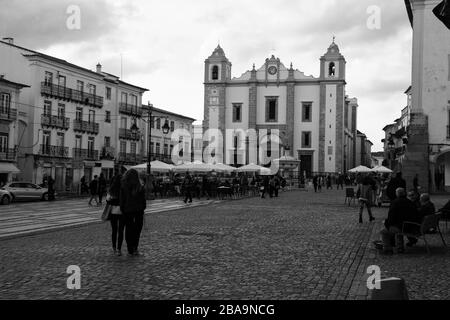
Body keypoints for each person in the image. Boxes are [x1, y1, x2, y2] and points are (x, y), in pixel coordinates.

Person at [379, 188, 420, 254]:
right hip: (412, 226)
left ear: (397, 194)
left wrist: (387, 223)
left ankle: (387, 249)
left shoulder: (395, 203)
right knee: (396, 227)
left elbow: (391, 218)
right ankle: (399, 247)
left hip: (403, 226)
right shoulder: (410, 202)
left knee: (384, 231)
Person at [120, 169, 146, 256]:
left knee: (128, 229)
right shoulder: (140, 186)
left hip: (127, 210)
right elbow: (143, 200)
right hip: (138, 210)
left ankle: (130, 249)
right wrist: (143, 207)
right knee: (137, 229)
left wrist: (122, 209)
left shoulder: (124, 186)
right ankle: (135, 248)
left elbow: (122, 200)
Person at [108, 173, 125, 256]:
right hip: (122, 212)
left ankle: (114, 248)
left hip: (113, 212)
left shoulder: (111, 190)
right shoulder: (124, 189)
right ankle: (119, 249)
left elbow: (108, 200)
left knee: (114, 230)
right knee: (121, 231)